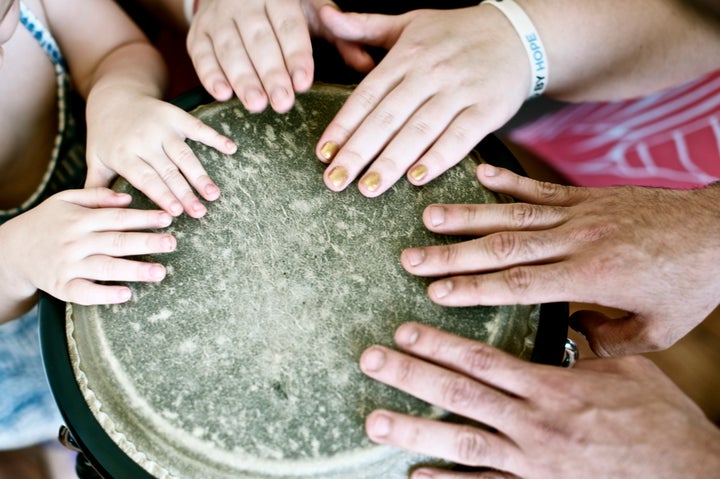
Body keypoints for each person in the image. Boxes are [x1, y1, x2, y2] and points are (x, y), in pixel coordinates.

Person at [0, 0, 236, 476]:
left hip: (115, 274)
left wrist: (117, 97)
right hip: (12, 351)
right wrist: (16, 259)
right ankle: (44, 447)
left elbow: (118, 49)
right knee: (57, 421)